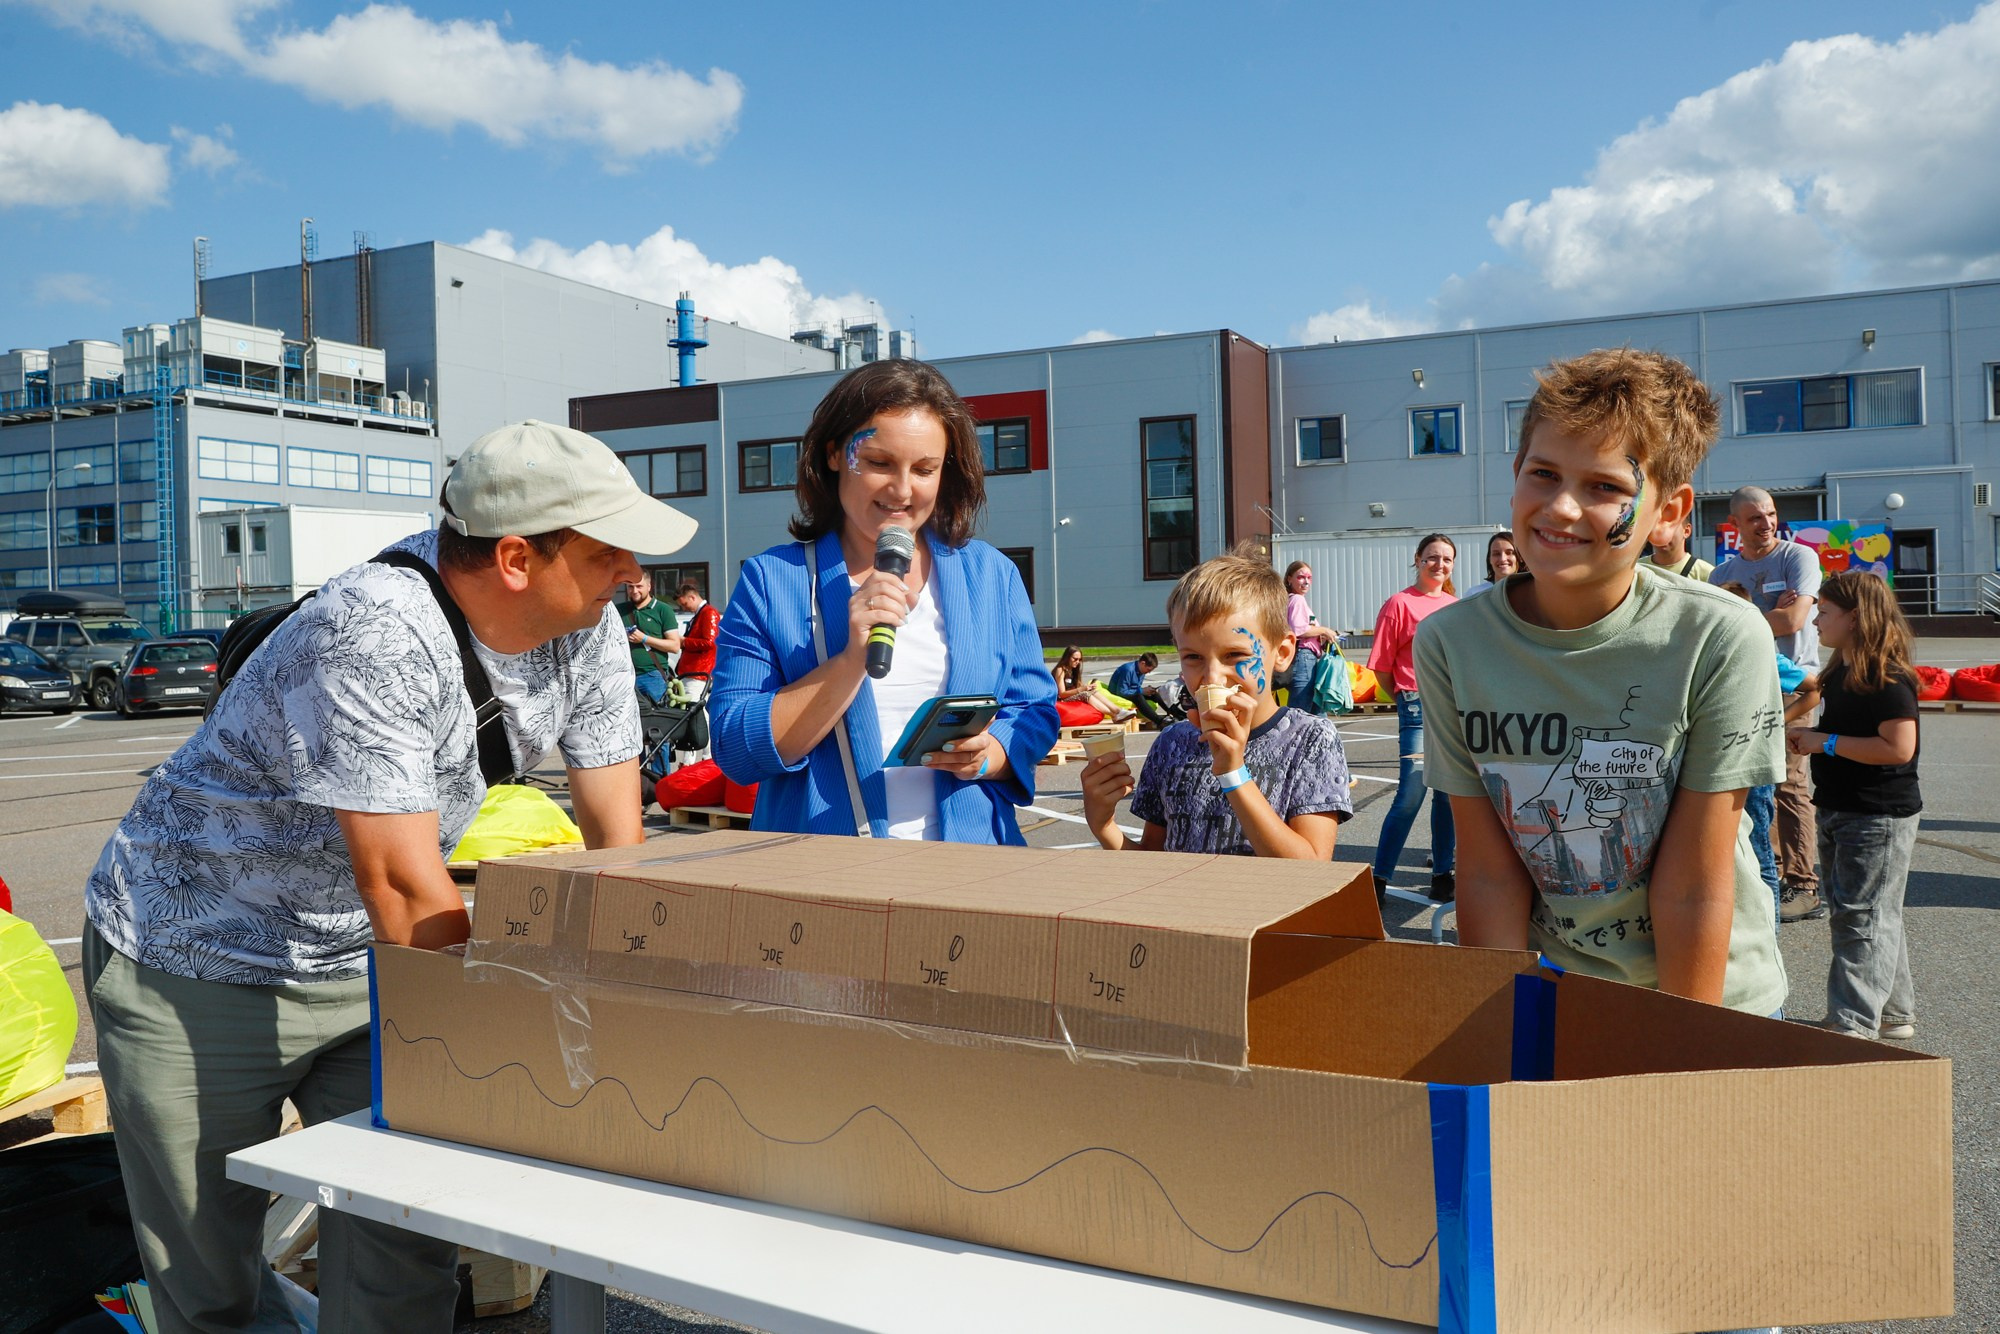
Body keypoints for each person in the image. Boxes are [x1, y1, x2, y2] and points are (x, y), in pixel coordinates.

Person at [81, 419, 692, 1332]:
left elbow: (616, 843)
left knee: (403, 1242)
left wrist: (633, 1006)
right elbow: (404, 890)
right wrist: (500, 1040)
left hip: (364, 961)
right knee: (209, 1276)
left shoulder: (590, 628)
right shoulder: (373, 627)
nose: (633, 578)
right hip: (191, 958)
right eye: (610, 553)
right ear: (519, 558)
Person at [1417, 348, 1787, 1016]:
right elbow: (1486, 871)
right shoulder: (1451, 642)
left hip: (1709, 1001)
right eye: (1544, 473)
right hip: (1559, 993)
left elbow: (1693, 889)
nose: (1560, 507)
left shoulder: (1718, 636)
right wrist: (1503, 1029)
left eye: (1605, 487)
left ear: (1669, 513)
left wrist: (1679, 1049)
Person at [710, 359, 1059, 842]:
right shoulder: (772, 581)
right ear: (835, 454)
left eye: (924, 469)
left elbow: (1035, 709)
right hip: (825, 877)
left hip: (973, 871)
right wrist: (850, 661)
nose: (902, 489)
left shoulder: (990, 574)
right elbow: (734, 748)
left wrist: (990, 753)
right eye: (878, 463)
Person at [1081, 548, 1351, 857]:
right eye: (1193, 657)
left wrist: (1233, 774)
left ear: (1283, 652)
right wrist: (1104, 826)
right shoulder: (1172, 744)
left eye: (1235, 655)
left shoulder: (1309, 740)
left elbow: (1311, 870)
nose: (1212, 677)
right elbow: (1153, 863)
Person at [1785, 570, 1924, 1040]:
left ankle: (1852, 1024)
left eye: (1825, 611)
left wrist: (1823, 742)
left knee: (1862, 917)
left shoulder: (1885, 675)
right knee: (1873, 913)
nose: (1816, 620)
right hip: (1844, 807)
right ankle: (1894, 1012)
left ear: (1856, 617)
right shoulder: (1843, 667)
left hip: (1877, 814)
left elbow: (1898, 748)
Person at [1711, 486, 1823, 922]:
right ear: (1735, 524)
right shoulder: (1721, 573)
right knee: (1754, 783)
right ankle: (1768, 875)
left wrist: (1742, 613)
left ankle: (1803, 884)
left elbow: (1795, 620)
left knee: (1789, 781)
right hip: (1741, 685)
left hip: (1791, 681)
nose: (1767, 523)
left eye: (1771, 514)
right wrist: (1765, 611)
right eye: (1755, 517)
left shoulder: (1798, 558)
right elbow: (1712, 630)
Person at [1367, 533, 1459, 903]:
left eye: (1447, 560)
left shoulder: (1455, 607)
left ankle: (1442, 873)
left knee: (1448, 797)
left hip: (1451, 708)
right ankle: (1379, 878)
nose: (1439, 565)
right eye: (1432, 557)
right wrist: (1407, 699)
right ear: (1418, 559)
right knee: (1410, 794)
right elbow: (1382, 667)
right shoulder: (1399, 604)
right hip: (1416, 705)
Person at [1282, 561, 1340, 710]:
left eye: (1309, 577)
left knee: (1315, 710)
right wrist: (1324, 630)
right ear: (1289, 579)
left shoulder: (1290, 600)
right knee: (1301, 708)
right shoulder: (1297, 600)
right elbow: (1299, 630)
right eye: (1301, 577)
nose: (1306, 581)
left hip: (1306, 657)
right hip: (1304, 657)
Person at [621, 570, 678, 703]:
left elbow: (675, 646)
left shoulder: (663, 610)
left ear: (649, 586)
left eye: (639, 586)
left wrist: (644, 639)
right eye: (630, 587)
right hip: (625, 677)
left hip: (652, 676)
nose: (634, 591)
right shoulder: (619, 610)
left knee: (657, 720)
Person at [1052, 645, 1135, 725]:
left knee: (1093, 691)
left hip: (1071, 696)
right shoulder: (1061, 670)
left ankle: (1118, 711)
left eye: (1079, 660)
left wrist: (1088, 687)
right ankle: (1114, 714)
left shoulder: (1074, 670)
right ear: (1067, 657)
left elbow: (1079, 686)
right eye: (1075, 659)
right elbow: (1062, 694)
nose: (1077, 662)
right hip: (1062, 700)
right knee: (1085, 694)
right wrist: (1082, 689)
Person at [1108, 650, 1171, 729]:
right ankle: (1159, 721)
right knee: (1138, 697)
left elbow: (1135, 687)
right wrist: (1142, 691)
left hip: (1131, 692)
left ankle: (1171, 712)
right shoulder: (1128, 670)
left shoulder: (1142, 670)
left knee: (1154, 693)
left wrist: (1147, 690)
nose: (1148, 673)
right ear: (1143, 663)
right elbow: (1121, 691)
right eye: (1148, 670)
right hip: (1118, 693)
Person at [1648, 513, 1714, 582]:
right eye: (1655, 527)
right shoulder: (1638, 569)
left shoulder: (1707, 575)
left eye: (1670, 527)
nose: (1662, 534)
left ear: (1686, 531)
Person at [1461, 531, 1520, 596]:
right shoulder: (1474, 594)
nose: (1502, 559)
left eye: (1509, 553)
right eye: (1496, 554)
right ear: (1489, 559)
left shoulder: (1530, 593)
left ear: (1520, 557)